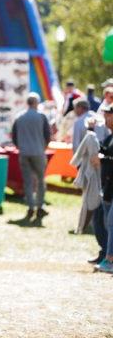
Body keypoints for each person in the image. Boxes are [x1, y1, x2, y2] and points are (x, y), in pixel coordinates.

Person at [11, 93, 51, 220]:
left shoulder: (19, 117)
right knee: (40, 180)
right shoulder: (41, 116)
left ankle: (30, 206)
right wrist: (43, 147)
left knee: (28, 181)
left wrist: (20, 147)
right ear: (36, 103)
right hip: (38, 152)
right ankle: (40, 206)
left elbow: (14, 136)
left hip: (24, 153)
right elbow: (47, 135)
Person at [70, 118, 102, 233]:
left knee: (91, 201)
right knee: (88, 200)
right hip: (91, 170)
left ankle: (83, 226)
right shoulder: (90, 135)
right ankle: (83, 226)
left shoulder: (91, 135)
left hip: (96, 171)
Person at [92, 105, 113, 269]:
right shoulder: (110, 136)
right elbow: (105, 150)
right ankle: (106, 254)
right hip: (107, 187)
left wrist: (103, 160)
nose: (105, 119)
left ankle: (110, 259)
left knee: (110, 222)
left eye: (108, 116)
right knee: (102, 221)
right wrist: (90, 132)